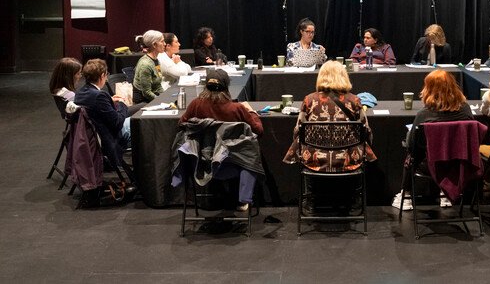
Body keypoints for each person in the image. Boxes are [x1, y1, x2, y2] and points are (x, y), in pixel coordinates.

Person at [180, 68, 263, 212]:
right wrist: (251, 112)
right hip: (232, 164)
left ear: (206, 85)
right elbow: (259, 131)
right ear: (226, 86)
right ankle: (242, 200)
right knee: (250, 154)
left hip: (201, 164)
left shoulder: (195, 104)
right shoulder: (237, 108)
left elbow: (182, 124)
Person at [392, 69, 474, 210]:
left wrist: (409, 135)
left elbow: (412, 145)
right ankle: (446, 192)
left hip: (430, 165)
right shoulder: (465, 109)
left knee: (411, 155)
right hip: (458, 163)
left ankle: (405, 196)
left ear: (428, 89)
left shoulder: (424, 114)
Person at [283, 61, 377, 172]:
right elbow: (366, 130)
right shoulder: (354, 100)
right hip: (349, 160)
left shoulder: (309, 100)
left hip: (314, 161)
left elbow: (298, 130)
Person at [74, 58, 131, 151]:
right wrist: (123, 104)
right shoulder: (99, 96)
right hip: (109, 136)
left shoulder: (80, 92)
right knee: (142, 123)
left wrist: (110, 100)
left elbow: (93, 105)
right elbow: (117, 123)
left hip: (92, 135)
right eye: (106, 74)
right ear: (102, 76)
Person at [133, 30, 165, 104]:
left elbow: (158, 85)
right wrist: (161, 101)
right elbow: (146, 93)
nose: (165, 44)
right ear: (154, 45)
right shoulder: (145, 65)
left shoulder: (156, 60)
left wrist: (165, 96)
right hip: (143, 101)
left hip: (153, 95)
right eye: (162, 41)